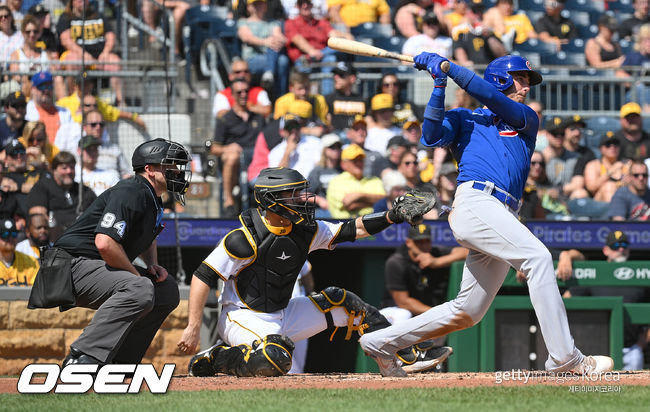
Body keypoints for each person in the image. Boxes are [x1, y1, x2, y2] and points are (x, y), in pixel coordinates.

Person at [358, 53, 614, 375]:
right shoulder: (464, 118)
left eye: (526, 81)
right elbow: (430, 136)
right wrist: (439, 84)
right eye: (519, 78)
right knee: (538, 258)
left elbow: (489, 96)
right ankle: (565, 357)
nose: (524, 87)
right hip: (476, 201)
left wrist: (452, 70)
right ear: (501, 77)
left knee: (469, 311)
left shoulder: (525, 117)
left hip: (502, 211)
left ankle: (380, 342)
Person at [177, 167, 440, 377]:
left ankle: (403, 356)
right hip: (242, 316)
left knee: (347, 303)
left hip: (284, 312)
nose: (301, 200)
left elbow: (353, 229)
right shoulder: (243, 238)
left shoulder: (306, 230)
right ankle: (215, 358)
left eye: (300, 193)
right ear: (272, 201)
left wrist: (392, 215)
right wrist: (193, 327)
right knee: (274, 357)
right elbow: (203, 276)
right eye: (292, 194)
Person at [30, 138, 191, 367]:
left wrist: (152, 264)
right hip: (68, 266)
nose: (177, 172)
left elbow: (147, 235)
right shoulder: (131, 190)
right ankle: (82, 357)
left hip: (90, 266)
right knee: (140, 287)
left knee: (166, 290)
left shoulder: (151, 197)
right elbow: (105, 243)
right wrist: (136, 276)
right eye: (170, 166)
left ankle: (120, 361)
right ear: (150, 169)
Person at [380, 223, 468, 368]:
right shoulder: (396, 262)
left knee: (443, 325)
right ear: (409, 242)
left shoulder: (435, 253)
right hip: (391, 314)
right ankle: (400, 362)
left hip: (421, 313)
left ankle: (432, 366)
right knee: (404, 314)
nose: (423, 245)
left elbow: (465, 252)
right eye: (418, 242)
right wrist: (435, 313)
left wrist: (437, 262)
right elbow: (403, 302)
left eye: (426, 240)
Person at [558, 231, 648, 371]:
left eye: (624, 245)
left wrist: (641, 344)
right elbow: (566, 299)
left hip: (631, 350)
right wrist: (565, 255)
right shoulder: (596, 272)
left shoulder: (640, 273)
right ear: (606, 250)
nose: (621, 249)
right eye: (615, 246)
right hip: (597, 350)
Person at [210, 78, 266, 218]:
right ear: (232, 95)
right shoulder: (225, 119)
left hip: (256, 162)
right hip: (235, 163)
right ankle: (229, 200)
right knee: (232, 156)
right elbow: (214, 148)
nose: (243, 94)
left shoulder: (258, 118)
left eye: (246, 91)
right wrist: (228, 148)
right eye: (239, 92)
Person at [56, 0, 123, 104]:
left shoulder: (98, 15)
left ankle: (120, 101)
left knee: (115, 61)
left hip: (100, 56)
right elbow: (65, 40)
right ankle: (73, 100)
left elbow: (110, 36)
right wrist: (83, 54)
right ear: (72, 2)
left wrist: (105, 53)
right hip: (77, 55)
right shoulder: (66, 17)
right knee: (72, 61)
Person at [26, 151, 97, 241]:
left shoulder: (84, 191)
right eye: (64, 168)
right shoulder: (42, 187)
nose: (69, 171)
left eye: (72, 167)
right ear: (54, 170)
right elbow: (37, 219)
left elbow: (97, 213)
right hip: (53, 240)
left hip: (82, 238)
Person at [284, 0, 350, 95]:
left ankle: (326, 98)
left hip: (323, 57)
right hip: (303, 59)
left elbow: (333, 35)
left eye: (308, 3)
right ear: (297, 6)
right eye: (301, 3)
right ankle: (303, 99)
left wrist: (346, 36)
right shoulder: (291, 23)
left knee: (331, 57)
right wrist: (311, 51)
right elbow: (297, 39)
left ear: (312, 5)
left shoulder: (321, 23)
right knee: (303, 70)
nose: (305, 5)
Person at [237, 0, 290, 96]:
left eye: (261, 3)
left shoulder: (273, 23)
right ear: (249, 7)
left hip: (271, 55)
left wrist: (277, 40)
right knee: (281, 60)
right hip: (253, 58)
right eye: (255, 4)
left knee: (283, 60)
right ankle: (280, 94)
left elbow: (278, 36)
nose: (258, 6)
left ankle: (271, 78)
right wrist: (266, 42)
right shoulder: (243, 22)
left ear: (266, 6)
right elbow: (246, 37)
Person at [327, 144, 385, 218]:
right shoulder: (336, 182)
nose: (358, 163)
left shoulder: (375, 180)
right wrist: (373, 201)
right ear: (343, 164)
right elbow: (349, 204)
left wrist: (359, 196)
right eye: (354, 160)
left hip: (373, 225)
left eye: (361, 160)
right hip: (345, 226)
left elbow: (385, 201)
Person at [9, 14, 54, 97]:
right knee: (27, 80)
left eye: (35, 31)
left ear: (39, 33)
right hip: (25, 91)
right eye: (28, 32)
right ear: (23, 33)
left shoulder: (46, 54)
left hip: (45, 90)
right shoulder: (16, 54)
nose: (32, 34)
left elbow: (54, 73)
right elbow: (15, 77)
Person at [24, 71, 74, 144]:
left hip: (60, 153)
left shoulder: (65, 112)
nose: (46, 90)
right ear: (33, 89)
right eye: (42, 87)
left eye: (49, 86)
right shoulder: (25, 111)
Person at [307, 133, 342, 218]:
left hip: (341, 209)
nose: (336, 150)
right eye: (332, 147)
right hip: (323, 211)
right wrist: (319, 200)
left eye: (338, 147)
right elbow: (304, 194)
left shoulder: (344, 169)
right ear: (324, 150)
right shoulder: (318, 171)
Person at [325, 62, 366, 132]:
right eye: (335, 74)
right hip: (337, 138)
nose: (336, 77)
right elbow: (327, 124)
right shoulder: (328, 99)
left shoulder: (362, 100)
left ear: (352, 78)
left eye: (341, 75)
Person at [0, 216, 39, 287]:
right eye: (4, 234)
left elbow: (35, 291)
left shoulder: (31, 262)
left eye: (13, 234)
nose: (10, 238)